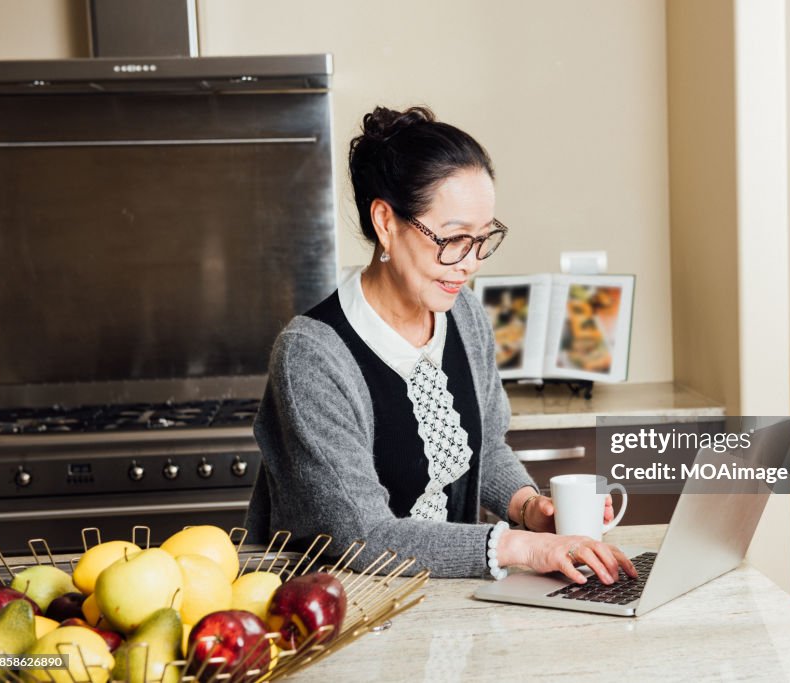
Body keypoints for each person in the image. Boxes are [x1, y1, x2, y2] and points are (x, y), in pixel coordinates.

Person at [245, 105, 636, 585]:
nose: (469, 263)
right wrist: (521, 546)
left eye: (482, 239)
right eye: (453, 240)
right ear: (386, 221)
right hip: (343, 613)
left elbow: (484, 447)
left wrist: (530, 507)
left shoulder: (464, 315)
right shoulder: (312, 356)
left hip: (446, 602)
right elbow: (362, 536)